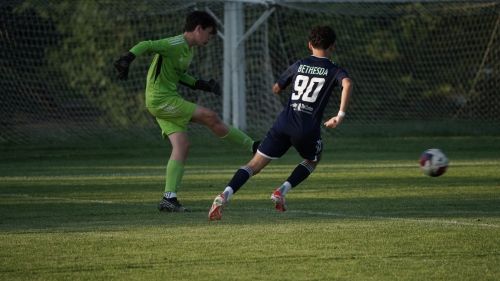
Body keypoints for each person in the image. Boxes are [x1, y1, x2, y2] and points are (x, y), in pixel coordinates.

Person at [114, 11, 259, 213]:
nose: (210, 37)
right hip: (161, 99)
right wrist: (126, 59)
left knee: (182, 145)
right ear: (198, 28)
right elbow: (146, 44)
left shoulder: (188, 51)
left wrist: (202, 84)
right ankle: (253, 147)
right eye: (209, 32)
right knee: (210, 117)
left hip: (164, 101)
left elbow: (180, 76)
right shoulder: (173, 44)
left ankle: (169, 198)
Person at [208, 25, 353, 220]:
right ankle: (281, 192)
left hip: (283, 123)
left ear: (310, 45)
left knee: (254, 164)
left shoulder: (299, 64)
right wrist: (340, 115)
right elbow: (348, 83)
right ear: (332, 47)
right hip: (305, 128)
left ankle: (224, 194)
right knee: (314, 158)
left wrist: (290, 85)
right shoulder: (335, 70)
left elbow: (276, 89)